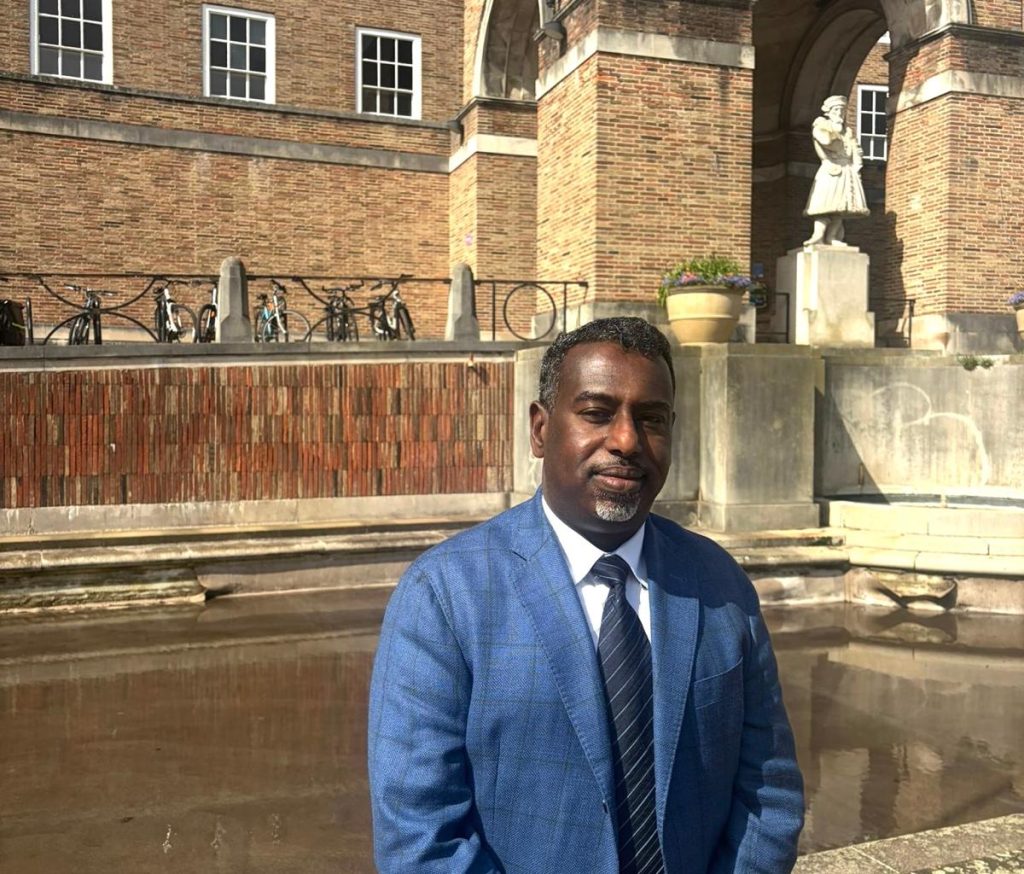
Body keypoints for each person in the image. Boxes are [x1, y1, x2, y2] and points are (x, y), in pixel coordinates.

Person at [368, 317, 804, 873]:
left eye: (651, 419)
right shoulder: (444, 596)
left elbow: (768, 790)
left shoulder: (719, 584)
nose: (626, 441)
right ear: (541, 429)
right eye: (597, 414)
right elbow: (420, 835)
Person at [803, 95, 870, 246]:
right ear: (829, 111)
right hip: (830, 168)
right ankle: (818, 235)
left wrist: (857, 167)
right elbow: (827, 141)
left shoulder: (848, 131)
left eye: (842, 110)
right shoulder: (821, 126)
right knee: (823, 205)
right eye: (836, 110)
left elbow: (856, 150)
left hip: (847, 169)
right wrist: (835, 130)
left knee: (841, 207)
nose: (840, 113)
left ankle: (833, 237)